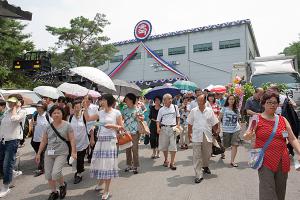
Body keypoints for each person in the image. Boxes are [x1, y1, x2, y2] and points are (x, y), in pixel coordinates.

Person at [244, 91, 300, 200]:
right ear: (263, 103)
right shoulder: (257, 119)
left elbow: (292, 138)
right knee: (267, 192)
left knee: (280, 191)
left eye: (275, 102)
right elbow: (247, 135)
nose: (272, 105)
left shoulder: (283, 119)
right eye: (269, 102)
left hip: (283, 160)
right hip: (265, 161)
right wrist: (249, 135)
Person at [83, 94, 124, 200]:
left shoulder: (116, 112)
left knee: (108, 165)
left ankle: (106, 189)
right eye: (101, 100)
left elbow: (121, 128)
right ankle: (101, 182)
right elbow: (88, 119)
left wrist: (112, 126)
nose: (101, 102)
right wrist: (85, 107)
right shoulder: (100, 113)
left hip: (110, 142)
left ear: (108, 101)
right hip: (100, 141)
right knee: (100, 163)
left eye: (103, 100)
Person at [35, 105, 77, 200]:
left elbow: (72, 139)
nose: (56, 115)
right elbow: (44, 141)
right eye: (54, 113)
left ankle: (62, 185)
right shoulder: (47, 127)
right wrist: (38, 153)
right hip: (49, 153)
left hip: (62, 152)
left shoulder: (67, 125)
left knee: (56, 173)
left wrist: (74, 152)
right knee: (49, 175)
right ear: (51, 115)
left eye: (59, 113)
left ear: (62, 114)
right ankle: (54, 192)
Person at [188, 94, 219, 184]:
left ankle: (205, 166)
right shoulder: (193, 111)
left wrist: (216, 131)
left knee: (207, 153)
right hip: (196, 135)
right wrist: (189, 134)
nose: (198, 102)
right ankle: (198, 174)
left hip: (207, 135)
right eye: (197, 100)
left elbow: (215, 123)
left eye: (200, 100)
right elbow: (189, 123)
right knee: (197, 156)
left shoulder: (210, 111)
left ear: (205, 101)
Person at [0, 94, 27, 198]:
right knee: (2, 163)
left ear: (18, 102)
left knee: (7, 163)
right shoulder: (7, 111)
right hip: (3, 140)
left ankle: (5, 187)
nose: (10, 104)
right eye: (9, 102)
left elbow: (14, 119)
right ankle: (13, 172)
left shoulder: (22, 112)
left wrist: (16, 107)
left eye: (12, 102)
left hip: (13, 141)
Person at [156, 93, 180, 170]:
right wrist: (158, 128)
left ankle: (172, 163)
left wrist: (178, 125)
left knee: (173, 147)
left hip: (173, 129)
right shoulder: (161, 109)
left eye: (171, 98)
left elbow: (178, 117)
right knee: (164, 146)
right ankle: (166, 160)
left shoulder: (175, 107)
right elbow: (158, 120)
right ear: (164, 100)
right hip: (164, 128)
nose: (170, 100)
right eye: (168, 99)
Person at [122, 93, 144, 174]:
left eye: (127, 99)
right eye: (125, 99)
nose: (125, 101)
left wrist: (138, 117)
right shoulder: (124, 109)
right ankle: (128, 165)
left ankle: (135, 166)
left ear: (132, 100)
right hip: (126, 131)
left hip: (135, 132)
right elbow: (122, 118)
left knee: (134, 149)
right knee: (127, 148)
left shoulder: (138, 109)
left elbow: (142, 118)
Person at [69, 100, 89, 184]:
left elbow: (92, 126)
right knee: (74, 159)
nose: (77, 109)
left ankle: (79, 174)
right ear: (73, 108)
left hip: (83, 142)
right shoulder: (70, 118)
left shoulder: (84, 116)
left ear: (81, 107)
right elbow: (68, 129)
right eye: (75, 107)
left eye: (79, 107)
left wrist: (92, 139)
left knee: (80, 159)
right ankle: (79, 170)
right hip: (73, 143)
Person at [219, 94, 241, 167]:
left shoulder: (237, 109)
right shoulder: (224, 108)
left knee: (235, 145)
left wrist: (240, 126)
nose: (231, 100)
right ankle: (222, 151)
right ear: (227, 100)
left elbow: (239, 119)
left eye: (233, 99)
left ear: (234, 101)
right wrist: (219, 127)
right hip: (226, 129)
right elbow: (219, 118)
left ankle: (232, 161)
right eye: (230, 99)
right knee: (225, 145)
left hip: (235, 129)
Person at [30, 101, 51, 177]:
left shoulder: (48, 116)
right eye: (37, 107)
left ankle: (41, 168)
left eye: (39, 107)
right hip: (36, 138)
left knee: (42, 154)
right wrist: (33, 124)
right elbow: (32, 125)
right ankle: (43, 166)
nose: (38, 108)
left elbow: (53, 126)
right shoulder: (35, 115)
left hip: (44, 139)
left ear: (43, 107)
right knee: (39, 153)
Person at [85, 95, 99, 163]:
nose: (86, 102)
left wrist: (92, 129)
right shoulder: (82, 107)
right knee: (86, 143)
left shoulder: (94, 107)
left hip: (93, 126)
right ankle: (88, 154)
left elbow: (95, 119)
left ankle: (91, 156)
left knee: (93, 143)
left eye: (87, 101)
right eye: (84, 101)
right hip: (84, 128)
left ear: (90, 101)